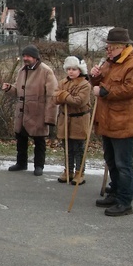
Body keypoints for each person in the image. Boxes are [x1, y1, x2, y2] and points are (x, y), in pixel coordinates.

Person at [91, 27, 133, 217]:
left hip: (123, 122)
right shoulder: (110, 63)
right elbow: (99, 85)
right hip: (107, 120)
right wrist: (95, 77)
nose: (108, 51)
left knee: (124, 165)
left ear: (123, 46)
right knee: (111, 161)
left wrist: (104, 90)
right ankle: (114, 193)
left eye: (111, 48)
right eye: (107, 47)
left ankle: (125, 201)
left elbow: (132, 88)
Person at [2, 45, 58, 176]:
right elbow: (19, 91)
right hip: (22, 113)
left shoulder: (46, 71)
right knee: (21, 138)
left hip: (38, 113)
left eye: (28, 56)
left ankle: (39, 166)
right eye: (24, 56)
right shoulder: (22, 70)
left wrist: (50, 117)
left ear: (35, 57)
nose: (25, 59)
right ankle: (21, 163)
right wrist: (9, 88)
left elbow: (52, 95)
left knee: (39, 141)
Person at [53, 56, 91, 185]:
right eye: (68, 69)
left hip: (79, 120)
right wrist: (63, 96)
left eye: (74, 69)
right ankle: (68, 170)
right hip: (65, 119)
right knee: (67, 147)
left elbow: (79, 101)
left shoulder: (85, 84)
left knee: (79, 148)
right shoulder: (63, 82)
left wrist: (64, 95)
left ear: (80, 70)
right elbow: (55, 97)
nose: (71, 72)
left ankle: (79, 173)